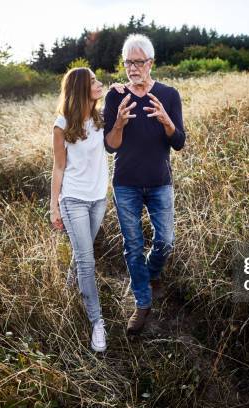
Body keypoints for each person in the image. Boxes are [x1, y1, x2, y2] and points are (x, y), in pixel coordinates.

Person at [103, 34, 187, 335]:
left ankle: (149, 274)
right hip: (125, 184)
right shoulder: (116, 96)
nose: (133, 68)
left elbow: (179, 143)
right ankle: (142, 302)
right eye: (128, 62)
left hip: (159, 182)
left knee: (165, 241)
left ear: (150, 63)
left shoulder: (169, 94)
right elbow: (110, 147)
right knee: (133, 246)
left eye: (138, 62)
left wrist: (167, 121)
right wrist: (119, 124)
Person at [50, 67, 109, 352]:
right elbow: (58, 166)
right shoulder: (62, 125)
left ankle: (71, 283)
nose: (99, 84)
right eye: (94, 81)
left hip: (99, 198)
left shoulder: (101, 119)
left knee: (82, 252)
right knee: (88, 260)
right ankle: (97, 322)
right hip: (73, 199)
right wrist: (54, 206)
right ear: (81, 88)